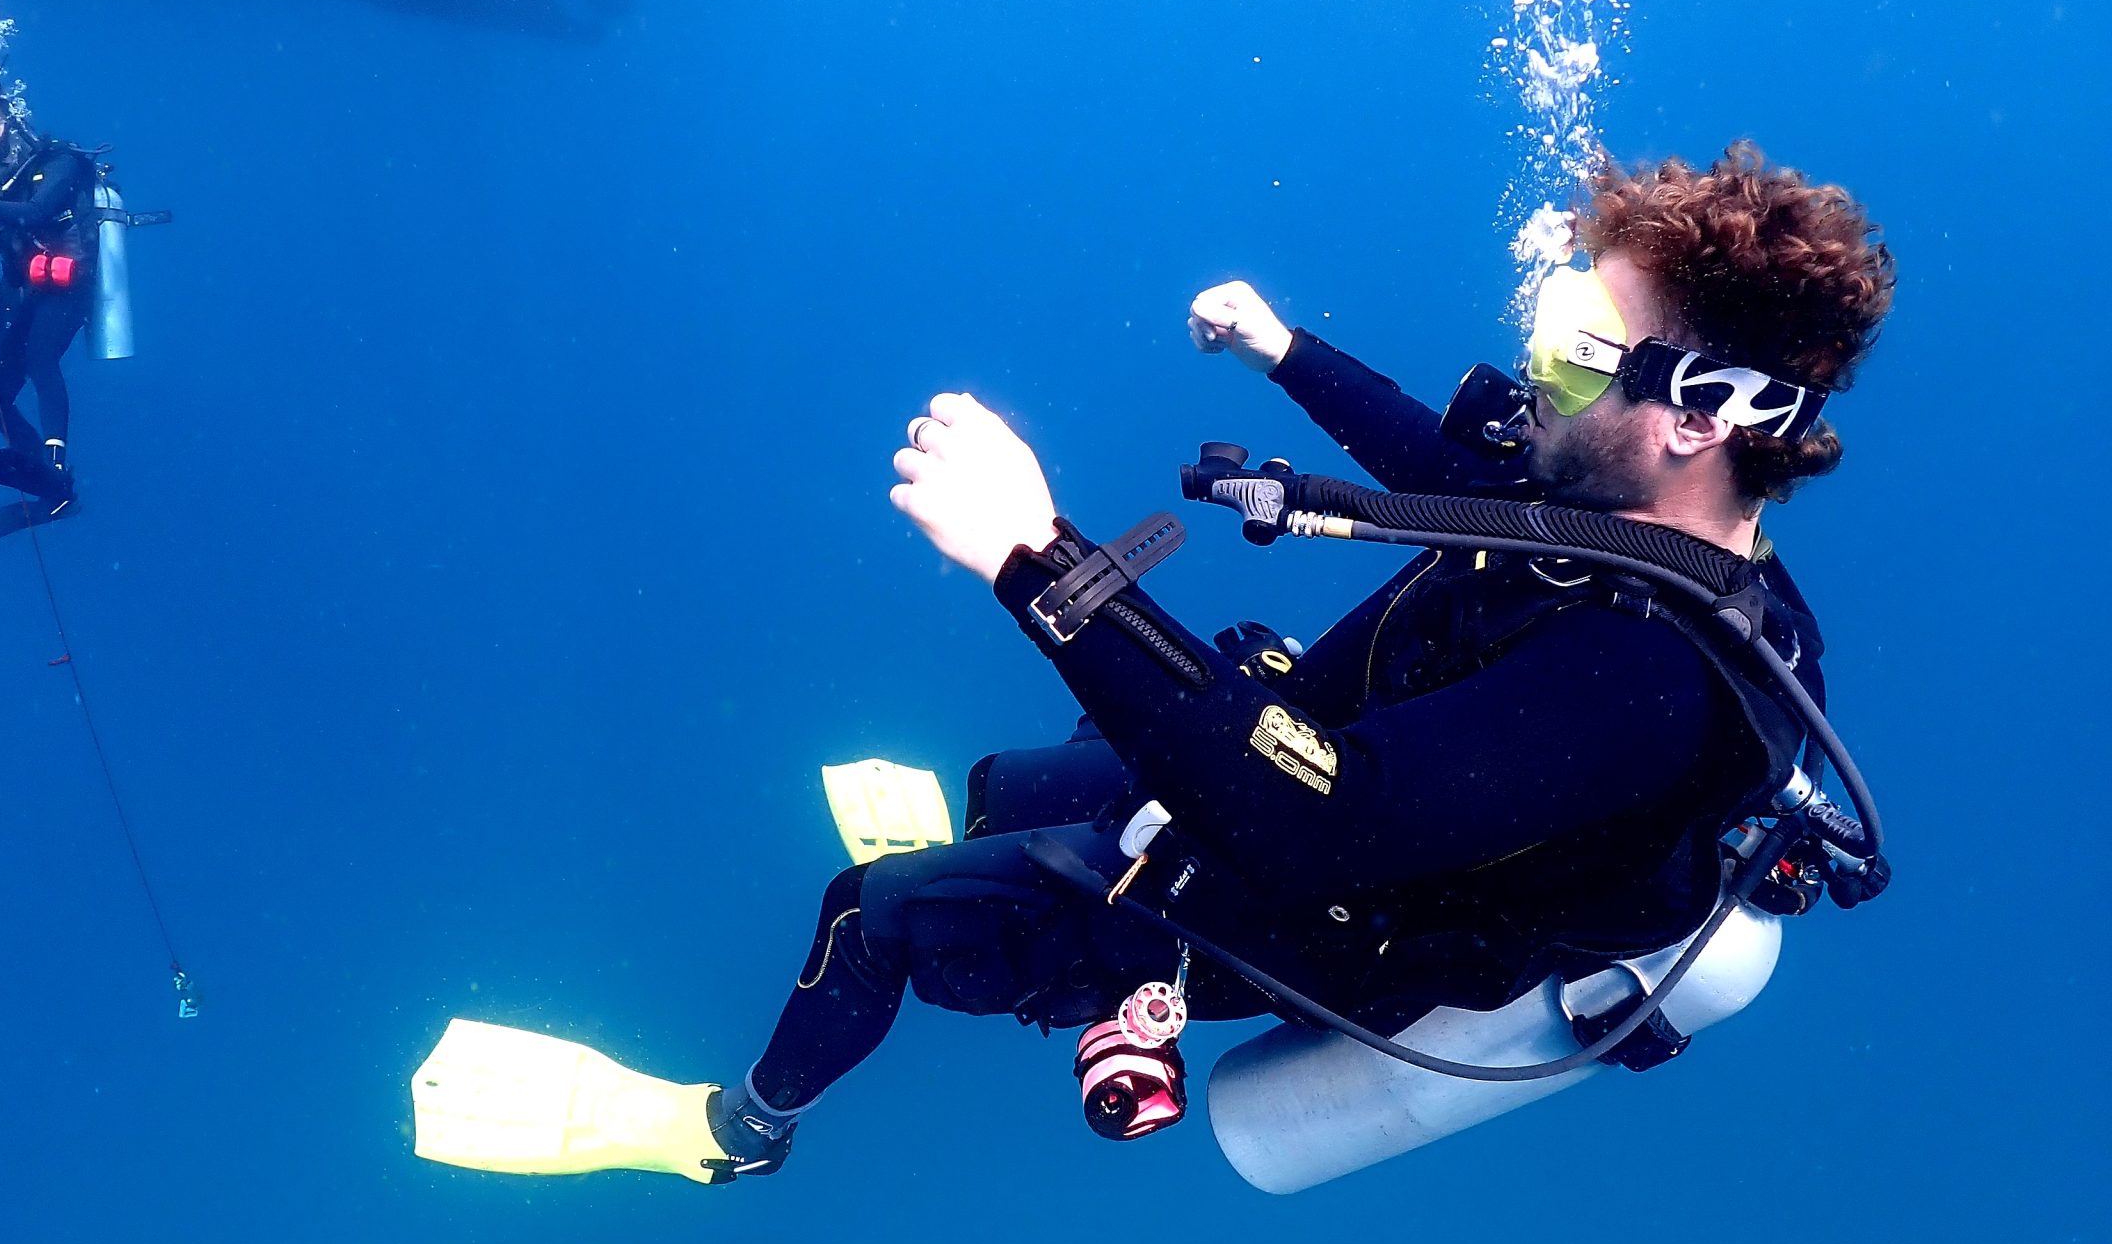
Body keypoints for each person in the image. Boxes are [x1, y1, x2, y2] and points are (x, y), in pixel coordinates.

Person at [413, 144, 1896, 1185]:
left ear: (1700, 410)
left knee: (868, 911)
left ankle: (735, 1133)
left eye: (1582, 350)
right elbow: (1452, 468)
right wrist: (1283, 350)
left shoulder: (1651, 681)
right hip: (1347, 772)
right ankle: (1033, 854)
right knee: (1002, 782)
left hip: (1330, 898)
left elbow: (1332, 821)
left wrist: (1032, 556)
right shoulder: (1626, 504)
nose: (1534, 372)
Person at [0, 91, 102, 515]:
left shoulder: (61, 163)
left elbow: (36, 213)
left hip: (71, 285)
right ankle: (44, 476)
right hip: (36, 289)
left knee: (41, 362)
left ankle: (55, 465)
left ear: (8, 124)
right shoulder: (9, 177)